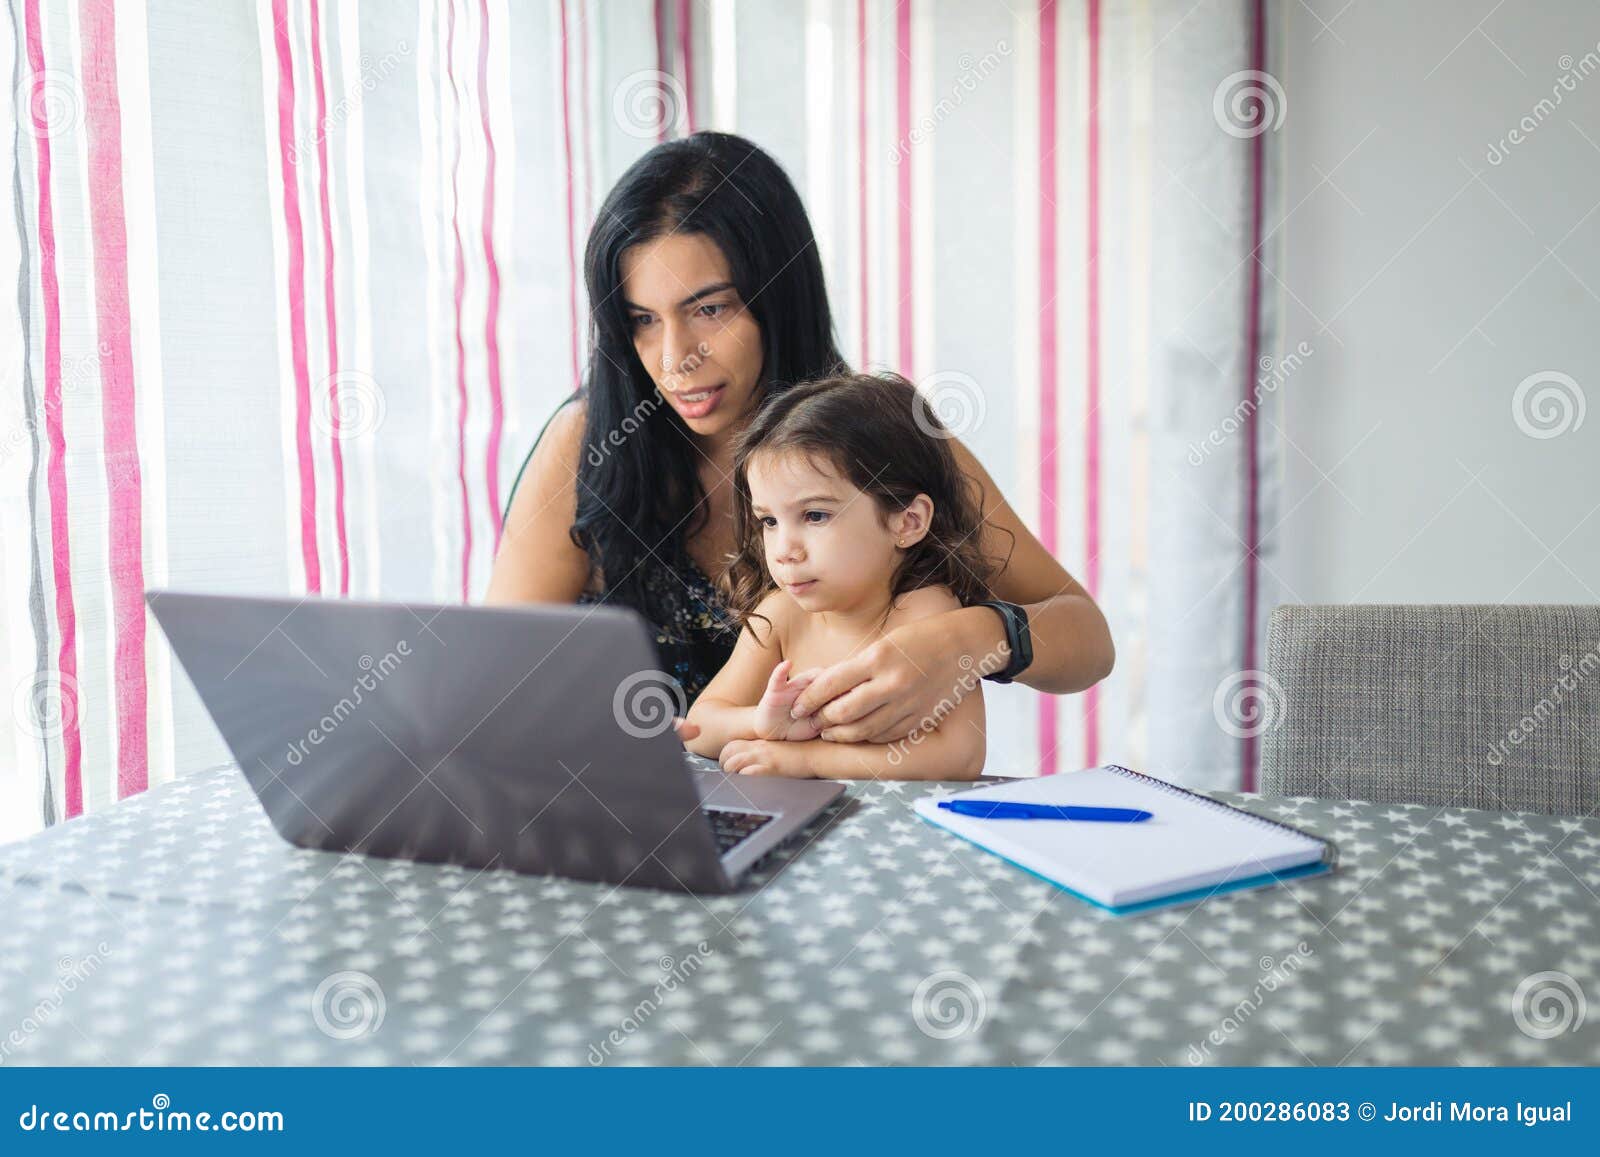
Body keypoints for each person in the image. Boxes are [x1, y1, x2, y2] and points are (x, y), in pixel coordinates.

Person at [486, 131, 1114, 753]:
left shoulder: (878, 438)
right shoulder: (587, 442)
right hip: (630, 819)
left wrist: (971, 641)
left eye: (709, 309)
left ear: (780, 298)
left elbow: (1088, 641)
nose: (675, 358)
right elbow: (496, 681)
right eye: (643, 321)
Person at [685, 372, 994, 779]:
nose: (784, 550)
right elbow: (697, 729)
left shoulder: (926, 614)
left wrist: (808, 759)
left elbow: (961, 754)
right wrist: (763, 722)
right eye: (769, 521)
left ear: (908, 521)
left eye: (815, 515)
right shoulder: (782, 615)